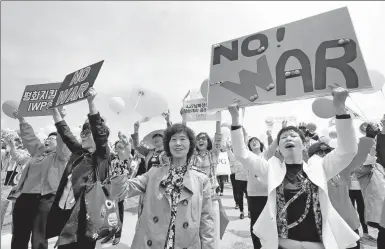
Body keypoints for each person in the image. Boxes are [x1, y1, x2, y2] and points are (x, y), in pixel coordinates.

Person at [229, 84, 360, 249]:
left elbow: (347, 150)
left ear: (304, 144)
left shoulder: (319, 166)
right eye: (283, 137)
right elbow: (242, 154)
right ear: (278, 147)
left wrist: (340, 108)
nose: (288, 138)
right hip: (283, 245)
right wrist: (235, 119)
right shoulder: (271, 170)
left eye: (293, 136)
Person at [122, 123, 215, 249]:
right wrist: (123, 161)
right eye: (173, 139)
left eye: (182, 139)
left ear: (190, 144)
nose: (178, 143)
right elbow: (124, 189)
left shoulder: (201, 180)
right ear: (168, 144)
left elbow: (207, 221)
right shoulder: (153, 173)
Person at [45, 88, 110, 249]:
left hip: (85, 218)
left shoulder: (101, 156)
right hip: (66, 214)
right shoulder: (79, 152)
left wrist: (91, 102)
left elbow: (99, 131)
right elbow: (65, 133)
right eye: (83, 131)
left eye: (88, 132)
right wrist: (54, 111)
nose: (83, 134)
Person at [308, 123, 377, 249]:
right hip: (326, 226)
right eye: (318, 152)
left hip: (349, 223)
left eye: (327, 152)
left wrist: (369, 137)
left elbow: (358, 156)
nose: (323, 155)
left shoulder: (344, 170)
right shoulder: (309, 175)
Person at [9, 107, 70, 249]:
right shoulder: (38, 153)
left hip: (45, 199)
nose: (48, 140)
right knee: (19, 235)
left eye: (52, 139)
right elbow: (29, 137)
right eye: (47, 138)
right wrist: (21, 119)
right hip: (24, 197)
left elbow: (64, 139)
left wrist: (59, 118)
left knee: (39, 238)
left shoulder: (60, 156)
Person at [100, 132, 142, 245]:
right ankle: (110, 233)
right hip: (110, 189)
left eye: (120, 147)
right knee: (109, 213)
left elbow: (128, 150)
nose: (117, 149)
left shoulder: (125, 159)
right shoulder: (112, 159)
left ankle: (117, 235)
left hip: (120, 190)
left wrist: (124, 141)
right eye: (116, 147)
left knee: (118, 214)